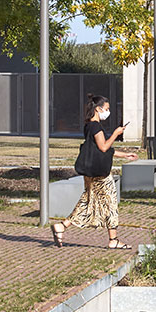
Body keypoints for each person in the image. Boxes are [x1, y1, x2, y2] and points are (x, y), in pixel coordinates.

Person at [61, 94, 125, 248]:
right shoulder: (96, 127)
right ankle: (113, 240)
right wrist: (116, 134)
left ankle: (62, 226)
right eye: (107, 109)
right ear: (98, 109)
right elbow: (103, 147)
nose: (107, 112)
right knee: (110, 202)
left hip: (91, 171)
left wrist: (123, 154)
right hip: (100, 174)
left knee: (88, 201)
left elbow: (97, 149)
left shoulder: (88, 126)